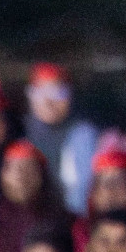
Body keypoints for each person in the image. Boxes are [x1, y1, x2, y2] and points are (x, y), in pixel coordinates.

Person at [0, 139, 70, 252]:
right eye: (13, 169)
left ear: (41, 175)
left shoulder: (64, 221)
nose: (20, 176)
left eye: (28, 168)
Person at [22, 63, 98, 216]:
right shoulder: (20, 133)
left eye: (57, 93)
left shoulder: (83, 134)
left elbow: (83, 191)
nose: (48, 102)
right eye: (40, 93)